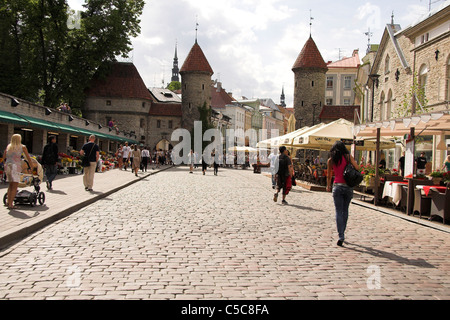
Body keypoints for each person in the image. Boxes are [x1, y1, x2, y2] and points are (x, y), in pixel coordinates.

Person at [326, 141, 359, 247]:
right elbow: (357, 168)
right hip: (348, 187)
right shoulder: (349, 157)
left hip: (337, 186)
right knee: (345, 210)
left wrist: (328, 186)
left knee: (338, 211)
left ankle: (341, 235)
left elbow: (329, 175)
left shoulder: (331, 160)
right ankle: (342, 232)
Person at [4, 134, 35, 209]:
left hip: (8, 166)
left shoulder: (9, 146)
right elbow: (28, 157)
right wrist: (31, 166)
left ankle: (8, 201)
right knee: (15, 185)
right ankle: (11, 204)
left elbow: (4, 156)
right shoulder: (22, 147)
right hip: (15, 166)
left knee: (10, 185)